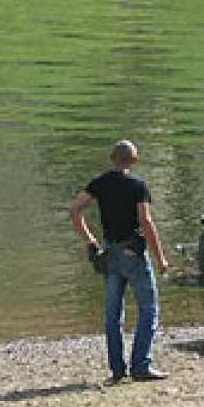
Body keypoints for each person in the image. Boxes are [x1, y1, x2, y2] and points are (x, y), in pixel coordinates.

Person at [68, 140, 170, 384]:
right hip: (133, 254)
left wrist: (91, 242)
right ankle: (141, 365)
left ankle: (117, 369)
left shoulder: (99, 183)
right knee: (149, 308)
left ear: (111, 158)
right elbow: (145, 222)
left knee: (113, 314)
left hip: (111, 254)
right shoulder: (138, 186)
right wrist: (161, 258)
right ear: (134, 161)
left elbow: (74, 210)